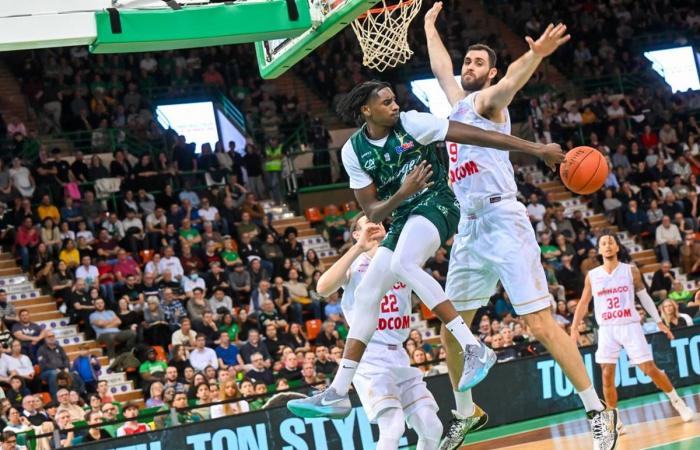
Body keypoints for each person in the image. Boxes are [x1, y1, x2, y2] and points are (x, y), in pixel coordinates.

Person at [286, 74, 564, 418]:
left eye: (393, 99)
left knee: (404, 264)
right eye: (386, 102)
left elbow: (481, 136)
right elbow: (372, 211)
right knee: (367, 293)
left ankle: (473, 346)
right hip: (403, 214)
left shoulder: (414, 123)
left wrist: (536, 149)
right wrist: (402, 192)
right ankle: (339, 392)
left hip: (439, 204)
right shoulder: (352, 151)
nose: (395, 105)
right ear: (366, 110)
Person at [423, 5, 615, 448]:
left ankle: (596, 411)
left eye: (477, 63)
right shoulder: (457, 105)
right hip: (469, 229)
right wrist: (430, 26)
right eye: (466, 61)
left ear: (488, 74)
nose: (468, 67)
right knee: (451, 327)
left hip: (502, 221)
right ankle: (466, 414)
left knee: (541, 324)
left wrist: (536, 56)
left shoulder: (489, 103)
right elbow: (439, 68)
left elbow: (511, 79)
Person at [291, 214, 443, 449]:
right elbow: (322, 288)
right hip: (369, 356)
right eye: (368, 224)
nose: (376, 225)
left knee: (432, 426)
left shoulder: (398, 258)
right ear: (355, 234)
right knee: (392, 427)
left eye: (379, 222)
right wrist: (359, 247)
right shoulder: (355, 262)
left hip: (400, 354)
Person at [571, 233, 695, 431]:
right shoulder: (593, 276)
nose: (608, 245)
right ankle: (615, 419)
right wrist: (574, 327)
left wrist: (658, 322)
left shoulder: (630, 270)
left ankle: (678, 402)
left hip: (629, 324)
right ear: (599, 250)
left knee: (649, 369)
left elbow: (644, 297)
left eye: (611, 242)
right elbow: (584, 303)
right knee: (606, 374)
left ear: (617, 247)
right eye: (604, 243)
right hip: (607, 329)